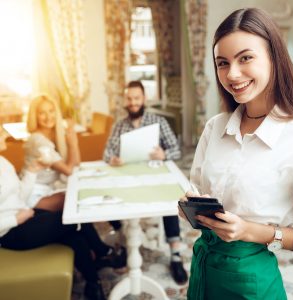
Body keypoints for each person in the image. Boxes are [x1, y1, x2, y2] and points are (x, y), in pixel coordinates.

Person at [179, 7, 293, 300]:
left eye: (245, 58)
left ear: (274, 57)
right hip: (204, 267)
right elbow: (199, 190)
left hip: (252, 281)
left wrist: (250, 231)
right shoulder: (214, 127)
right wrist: (191, 208)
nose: (232, 74)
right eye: (222, 63)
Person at [0, 127, 128, 300]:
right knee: (73, 220)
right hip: (9, 233)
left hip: (23, 216)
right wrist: (15, 219)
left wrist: (31, 171)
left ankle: (93, 284)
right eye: (0, 132)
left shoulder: (3, 162)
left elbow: (19, 196)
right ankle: (102, 252)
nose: (5, 134)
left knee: (74, 235)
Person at [103, 80, 188, 285]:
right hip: (127, 178)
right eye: (129, 98)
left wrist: (164, 153)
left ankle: (175, 254)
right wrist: (112, 159)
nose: (133, 102)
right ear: (125, 100)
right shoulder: (119, 125)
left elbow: (176, 150)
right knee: (108, 200)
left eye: (136, 98)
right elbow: (106, 153)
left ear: (144, 99)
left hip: (154, 175)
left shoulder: (158, 122)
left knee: (171, 201)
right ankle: (124, 244)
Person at [23, 94, 81, 211]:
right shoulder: (38, 140)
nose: (48, 117)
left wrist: (72, 142)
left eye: (51, 111)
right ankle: (118, 227)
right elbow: (69, 171)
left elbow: (76, 164)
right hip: (33, 194)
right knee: (78, 199)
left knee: (81, 194)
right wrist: (73, 143)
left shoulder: (54, 136)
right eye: (42, 113)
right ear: (35, 116)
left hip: (49, 189)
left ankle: (117, 227)